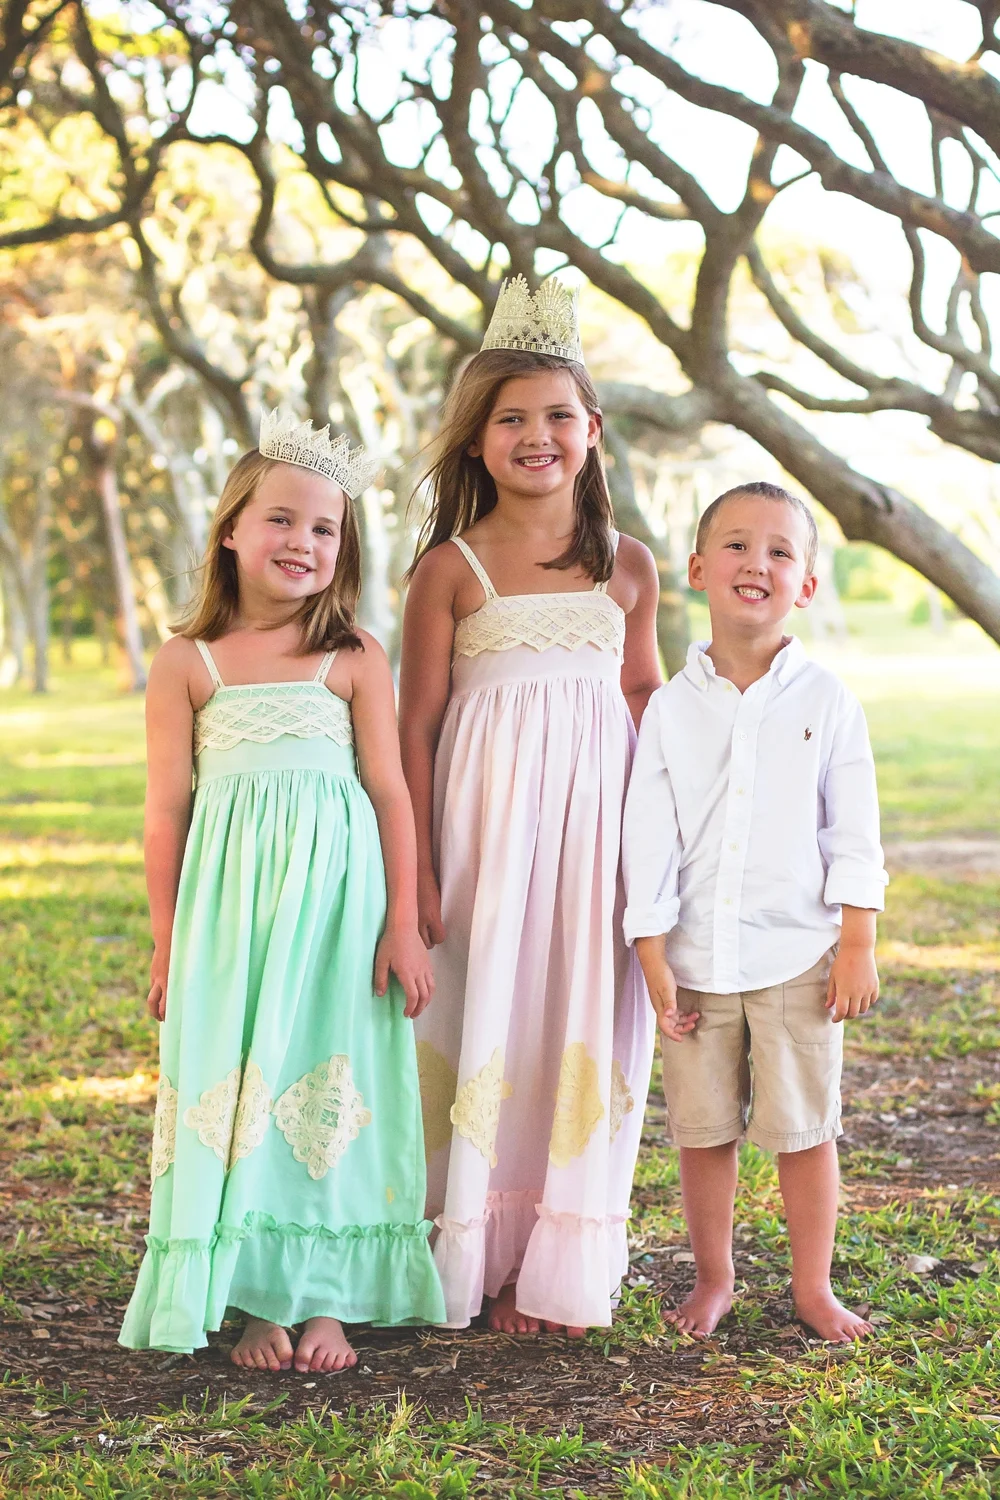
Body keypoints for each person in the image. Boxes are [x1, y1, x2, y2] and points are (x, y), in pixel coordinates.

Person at [119, 411, 445, 1374]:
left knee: (330, 1086)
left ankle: (330, 1301)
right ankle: (257, 1298)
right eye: (281, 520)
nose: (302, 542)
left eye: (325, 528)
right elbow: (165, 813)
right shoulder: (191, 663)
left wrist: (403, 925)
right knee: (242, 1083)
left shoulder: (352, 656)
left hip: (341, 919)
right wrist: (167, 940)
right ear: (231, 529)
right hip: (230, 923)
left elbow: (390, 792)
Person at [399, 276, 661, 1336]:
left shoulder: (626, 567)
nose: (536, 435)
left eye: (558, 415)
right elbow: (414, 726)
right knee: (488, 1014)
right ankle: (478, 1253)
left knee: (576, 1019)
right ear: (475, 442)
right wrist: (414, 869)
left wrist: (657, 859)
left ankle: (553, 1261)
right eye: (510, 418)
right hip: (485, 842)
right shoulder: (449, 571)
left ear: (592, 432)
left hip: (596, 842)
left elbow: (645, 706)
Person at [623, 480, 888, 1344]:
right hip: (696, 961)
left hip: (798, 958)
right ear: (698, 568)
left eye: (780, 551)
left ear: (806, 584)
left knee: (804, 1132)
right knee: (703, 1134)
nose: (757, 563)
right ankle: (715, 1279)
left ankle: (813, 1288)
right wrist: (654, 955)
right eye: (736, 545)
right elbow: (648, 839)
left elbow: (854, 830)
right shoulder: (669, 709)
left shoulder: (827, 702)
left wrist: (857, 940)